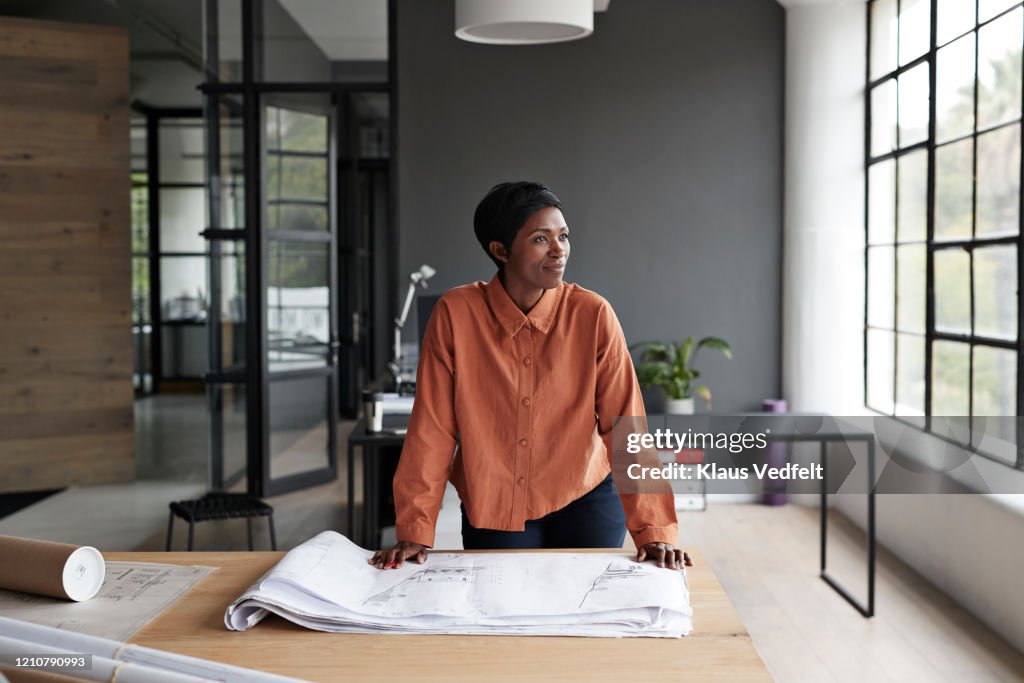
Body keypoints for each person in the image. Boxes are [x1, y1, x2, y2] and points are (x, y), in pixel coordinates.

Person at [370, 181, 690, 571]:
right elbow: (432, 427)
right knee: (504, 617)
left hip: (585, 497)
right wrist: (414, 530)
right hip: (494, 501)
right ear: (500, 250)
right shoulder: (455, 314)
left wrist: (655, 529)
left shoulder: (593, 314)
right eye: (541, 239)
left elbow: (626, 426)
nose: (559, 250)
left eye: (564, 236)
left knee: (584, 616)